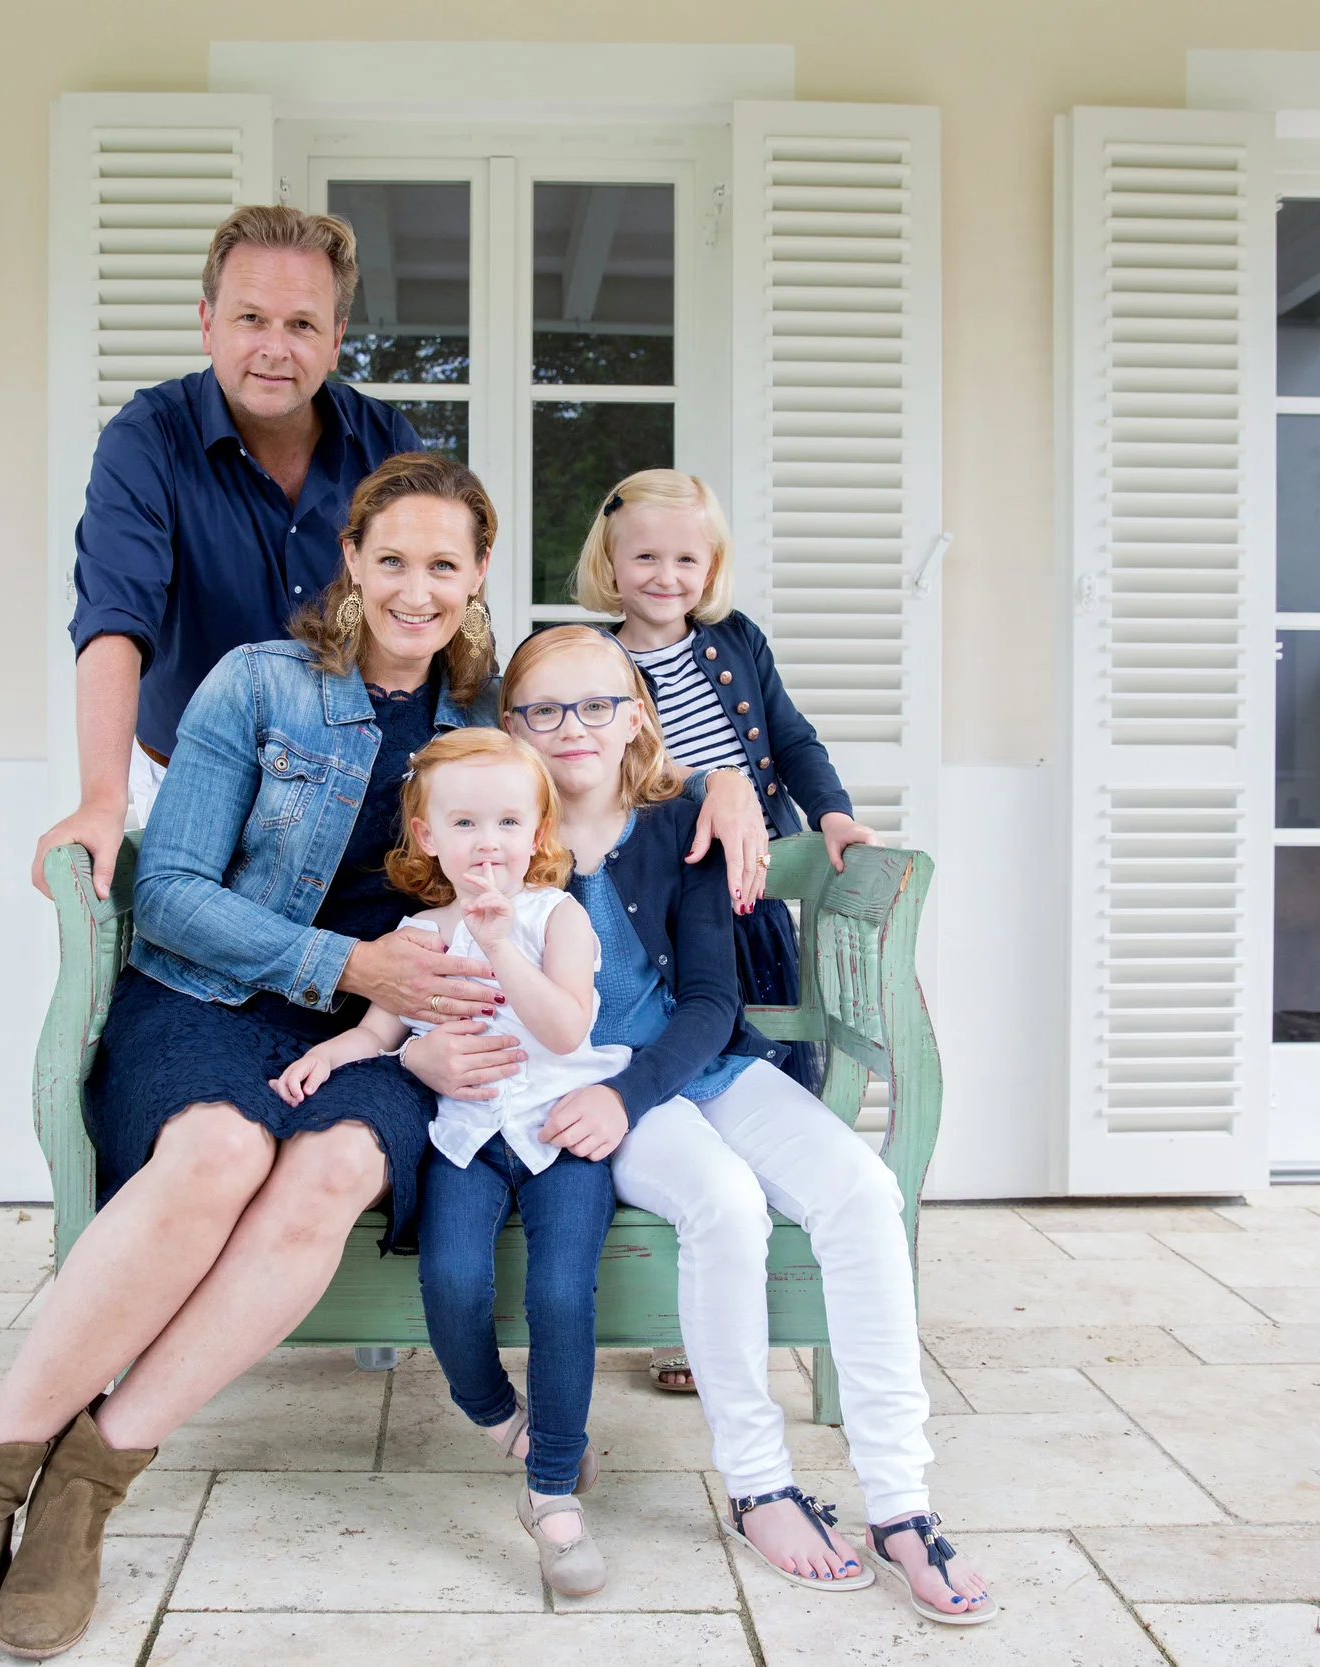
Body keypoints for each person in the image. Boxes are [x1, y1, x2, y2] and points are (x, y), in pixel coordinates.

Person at [0, 454, 503, 1667]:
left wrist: (745, 802)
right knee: (219, 1147)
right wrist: (344, 962)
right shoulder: (258, 684)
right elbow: (165, 894)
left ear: (479, 574)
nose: (416, 589)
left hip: (375, 1035)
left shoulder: (480, 726)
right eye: (392, 559)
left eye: (444, 564)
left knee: (327, 1172)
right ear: (352, 560)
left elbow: (612, 773)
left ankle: (89, 1481)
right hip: (210, 994)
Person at [504, 625, 996, 1628]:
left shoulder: (677, 819)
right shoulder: (506, 824)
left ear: (638, 712)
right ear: (508, 723)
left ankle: (900, 1498)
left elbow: (708, 997)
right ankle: (759, 1482)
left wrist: (724, 780)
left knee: (861, 1189)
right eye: (542, 709)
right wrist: (615, 1098)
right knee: (722, 1204)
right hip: (593, 1085)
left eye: (598, 702)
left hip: (693, 1067)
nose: (573, 727)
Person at [274, 727, 621, 1597]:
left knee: (556, 1292)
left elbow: (566, 1029)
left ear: (540, 831)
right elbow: (379, 1029)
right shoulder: (417, 934)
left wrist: (503, 941)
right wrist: (338, 1056)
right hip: (466, 1137)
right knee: (455, 1279)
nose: (488, 842)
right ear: (428, 835)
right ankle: (491, 1407)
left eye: (508, 821)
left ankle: (553, 1494)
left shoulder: (560, 917)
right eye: (464, 823)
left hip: (559, 1137)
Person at [576, 468, 879, 1390]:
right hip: (656, 908)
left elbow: (792, 741)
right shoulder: (592, 661)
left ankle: (784, 1263)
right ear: (610, 565)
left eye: (686, 558)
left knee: (767, 1074)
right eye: (645, 557)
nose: (665, 576)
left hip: (746, 905)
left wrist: (829, 814)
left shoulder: (736, 641)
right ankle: (680, 1320)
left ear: (710, 568)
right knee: (674, 1091)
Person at [31, 203, 425, 897]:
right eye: (251, 319)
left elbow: (437, 614)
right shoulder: (147, 438)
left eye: (302, 324)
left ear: (336, 340)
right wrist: (103, 797)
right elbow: (115, 619)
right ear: (208, 322)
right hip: (183, 782)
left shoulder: (386, 440)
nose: (276, 348)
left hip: (352, 794)